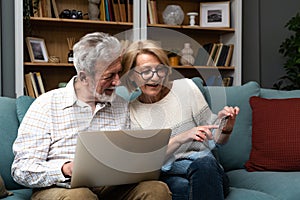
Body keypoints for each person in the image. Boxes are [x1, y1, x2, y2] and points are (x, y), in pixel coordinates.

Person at [11, 32, 171, 200]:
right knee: (80, 196)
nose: (117, 81)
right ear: (84, 77)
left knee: (155, 189)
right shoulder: (46, 105)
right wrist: (65, 169)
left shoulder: (120, 105)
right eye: (109, 76)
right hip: (61, 187)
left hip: (110, 185)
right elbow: (21, 169)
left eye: (119, 73)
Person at [121, 40, 240, 200]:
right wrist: (180, 138)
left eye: (160, 70)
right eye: (146, 71)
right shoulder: (130, 112)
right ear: (132, 77)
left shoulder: (186, 88)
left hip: (207, 170)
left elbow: (215, 140)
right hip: (169, 176)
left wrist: (225, 128)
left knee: (204, 165)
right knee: (178, 188)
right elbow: (146, 162)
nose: (155, 77)